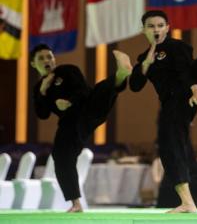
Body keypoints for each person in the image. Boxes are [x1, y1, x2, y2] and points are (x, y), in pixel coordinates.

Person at [129, 10, 197, 213]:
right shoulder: (143, 57)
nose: (156, 29)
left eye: (160, 25)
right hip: (174, 104)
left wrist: (195, 88)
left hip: (189, 89)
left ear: (167, 28)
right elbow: (135, 85)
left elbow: (184, 69)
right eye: (151, 26)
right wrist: (145, 64)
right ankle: (187, 202)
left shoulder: (176, 46)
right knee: (169, 147)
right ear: (143, 30)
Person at [31, 44, 132, 212]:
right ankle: (75, 203)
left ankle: (122, 73)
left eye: (49, 56)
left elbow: (82, 90)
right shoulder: (38, 88)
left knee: (100, 89)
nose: (47, 60)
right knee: (61, 156)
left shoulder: (67, 70)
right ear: (33, 64)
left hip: (88, 108)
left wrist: (69, 101)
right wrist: (42, 90)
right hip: (70, 123)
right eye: (41, 58)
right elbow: (42, 114)